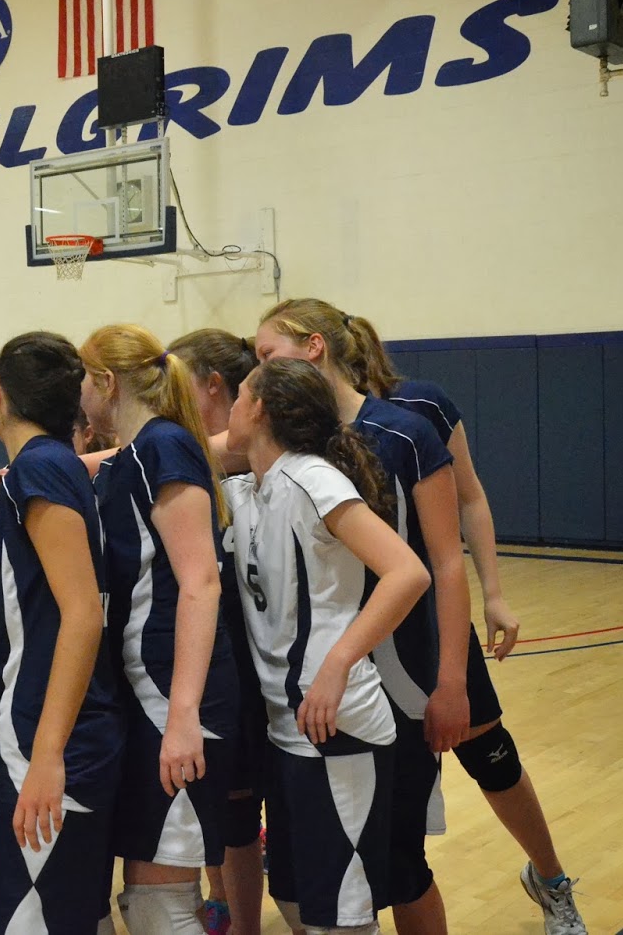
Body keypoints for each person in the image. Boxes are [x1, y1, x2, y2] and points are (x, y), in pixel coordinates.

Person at [359, 327, 588, 935]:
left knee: (487, 751)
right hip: (356, 628)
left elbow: (470, 498)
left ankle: (552, 880)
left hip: (430, 618)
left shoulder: (419, 407)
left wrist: (494, 594)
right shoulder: (302, 419)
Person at [254, 299, 471, 935]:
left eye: (268, 354)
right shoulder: (285, 447)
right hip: (320, 694)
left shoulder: (406, 433)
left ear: (312, 348)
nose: (259, 367)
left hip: (400, 677)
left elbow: (444, 565)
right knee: (317, 875)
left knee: (402, 863)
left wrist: (451, 680)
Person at [222, 358, 431, 935]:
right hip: (285, 727)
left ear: (259, 409)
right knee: (294, 898)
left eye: (240, 395)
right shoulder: (248, 489)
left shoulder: (314, 480)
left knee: (340, 915)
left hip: (338, 725)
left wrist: (340, 661)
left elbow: (407, 573)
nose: (231, 409)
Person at [0, 332, 122, 934]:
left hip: (50, 733)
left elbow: (81, 612)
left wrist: (46, 755)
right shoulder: (45, 468)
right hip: (52, 727)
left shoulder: (40, 471)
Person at [80, 324, 238, 935]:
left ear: (106, 383)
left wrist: (183, 716)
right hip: (150, 695)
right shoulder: (142, 451)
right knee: (146, 898)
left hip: (175, 696)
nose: (80, 399)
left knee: (162, 904)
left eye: (83, 382)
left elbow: (201, 583)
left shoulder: (164, 450)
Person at [168, 329, 264, 935]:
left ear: (213, 387)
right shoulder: (193, 460)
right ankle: (222, 893)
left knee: (239, 805)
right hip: (222, 663)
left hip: (265, 670)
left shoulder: (257, 461)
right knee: (224, 808)